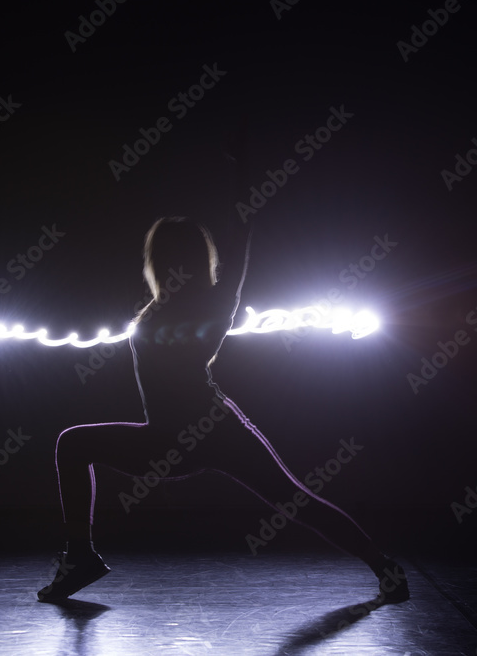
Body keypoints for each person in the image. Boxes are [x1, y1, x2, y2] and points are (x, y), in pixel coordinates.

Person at [38, 216, 408, 604]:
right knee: (74, 444)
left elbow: (243, 230)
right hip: (172, 435)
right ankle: (79, 557)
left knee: (295, 501)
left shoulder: (214, 301)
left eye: (162, 253)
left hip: (207, 430)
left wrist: (244, 169)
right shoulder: (164, 307)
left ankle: (383, 566)